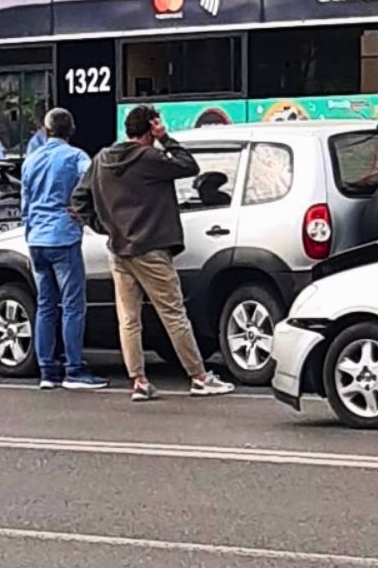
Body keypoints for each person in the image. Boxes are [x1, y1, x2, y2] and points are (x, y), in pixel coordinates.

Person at [73, 105, 234, 401]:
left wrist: (103, 226)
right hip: (151, 248)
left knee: (129, 319)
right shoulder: (149, 157)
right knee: (173, 313)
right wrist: (166, 138)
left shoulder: (102, 159)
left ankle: (139, 381)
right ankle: (199, 377)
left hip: (119, 249)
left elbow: (79, 198)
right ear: (150, 129)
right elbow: (189, 166)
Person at [21, 108, 105, 391]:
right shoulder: (76, 157)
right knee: (72, 305)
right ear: (71, 131)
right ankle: (74, 368)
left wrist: (30, 232)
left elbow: (25, 204)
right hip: (63, 236)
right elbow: (95, 182)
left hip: (36, 240)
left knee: (45, 305)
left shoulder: (30, 160)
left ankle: (47, 370)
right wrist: (82, 211)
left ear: (46, 131)